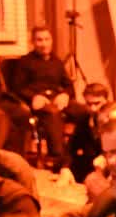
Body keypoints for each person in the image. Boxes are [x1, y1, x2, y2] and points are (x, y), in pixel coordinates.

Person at [9, 25, 76, 172]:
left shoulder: (56, 61)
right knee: (52, 113)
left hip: (57, 99)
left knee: (84, 111)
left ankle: (81, 153)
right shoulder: (24, 62)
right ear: (32, 42)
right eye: (39, 40)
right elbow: (17, 88)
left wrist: (65, 94)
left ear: (52, 40)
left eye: (47, 39)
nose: (44, 44)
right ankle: (58, 159)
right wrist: (34, 96)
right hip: (37, 103)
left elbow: (69, 85)